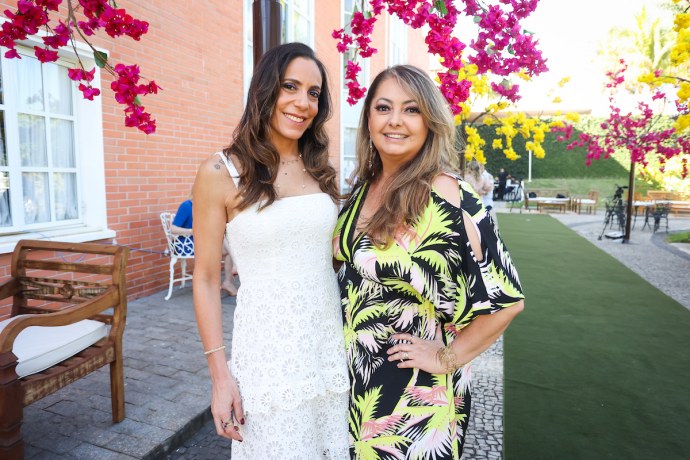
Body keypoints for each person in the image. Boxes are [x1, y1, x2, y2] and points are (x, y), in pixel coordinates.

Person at [333, 65, 524, 459]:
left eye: (412, 109)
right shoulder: (361, 192)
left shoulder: (449, 194)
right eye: (384, 108)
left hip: (413, 402)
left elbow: (507, 300)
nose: (396, 120)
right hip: (351, 386)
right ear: (368, 118)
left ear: (430, 121)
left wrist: (444, 356)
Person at [192, 43, 349, 459]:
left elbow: (329, 257)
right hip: (267, 358)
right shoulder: (219, 172)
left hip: (329, 349)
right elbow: (207, 279)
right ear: (264, 91)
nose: (303, 103)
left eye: (314, 93)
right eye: (290, 87)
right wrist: (219, 376)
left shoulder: (320, 169)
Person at [171, 194, 238, 295]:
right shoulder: (186, 206)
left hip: (202, 243)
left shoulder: (204, 208)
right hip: (186, 245)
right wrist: (192, 231)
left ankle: (227, 282)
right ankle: (210, 286)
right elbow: (173, 229)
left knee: (225, 243)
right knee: (221, 247)